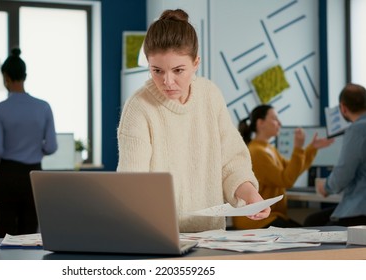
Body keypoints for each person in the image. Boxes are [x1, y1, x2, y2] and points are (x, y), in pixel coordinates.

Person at [116, 9, 270, 233]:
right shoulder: (138, 107)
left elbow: (231, 163)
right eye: (156, 71)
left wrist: (251, 196)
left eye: (178, 70)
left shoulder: (210, 95)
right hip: (156, 235)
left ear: (196, 62)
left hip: (211, 236)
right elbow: (132, 185)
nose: (167, 81)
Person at [0, 48, 58, 237]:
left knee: (5, 237)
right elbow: (51, 146)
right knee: (30, 237)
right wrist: (33, 148)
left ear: (5, 77)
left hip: (7, 176)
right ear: (25, 76)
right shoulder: (43, 107)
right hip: (34, 177)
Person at [233, 104, 334, 229]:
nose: (279, 123)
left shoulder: (268, 148)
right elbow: (286, 180)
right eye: (275, 119)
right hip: (257, 220)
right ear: (261, 123)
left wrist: (312, 148)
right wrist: (298, 147)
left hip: (270, 216)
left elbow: (293, 170)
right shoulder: (256, 152)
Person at [304, 83, 366, 227]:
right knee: (314, 220)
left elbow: (344, 173)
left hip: (361, 210)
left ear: (343, 108)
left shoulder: (357, 130)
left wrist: (325, 187)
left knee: (311, 224)